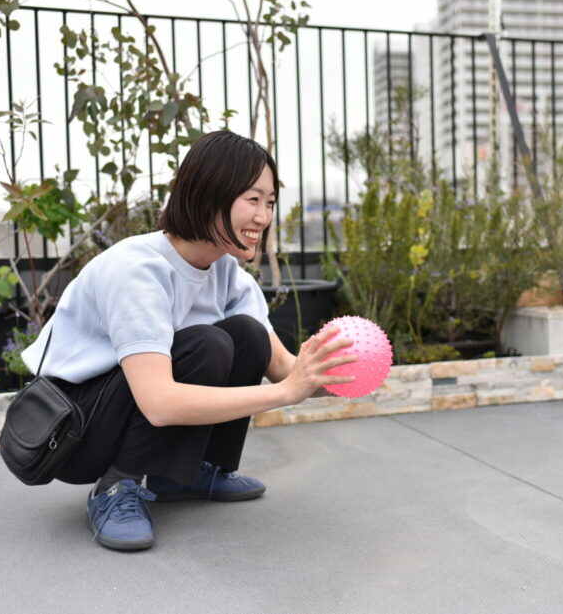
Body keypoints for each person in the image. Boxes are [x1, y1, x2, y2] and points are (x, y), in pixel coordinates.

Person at [20, 130, 356, 551]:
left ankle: (187, 473)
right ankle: (113, 487)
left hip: (120, 408)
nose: (264, 217)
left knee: (247, 334)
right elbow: (159, 403)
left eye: (269, 202)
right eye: (252, 200)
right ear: (209, 193)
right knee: (207, 345)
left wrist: (335, 373)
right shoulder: (137, 269)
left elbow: (284, 369)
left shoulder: (229, 274)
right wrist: (286, 394)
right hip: (72, 430)